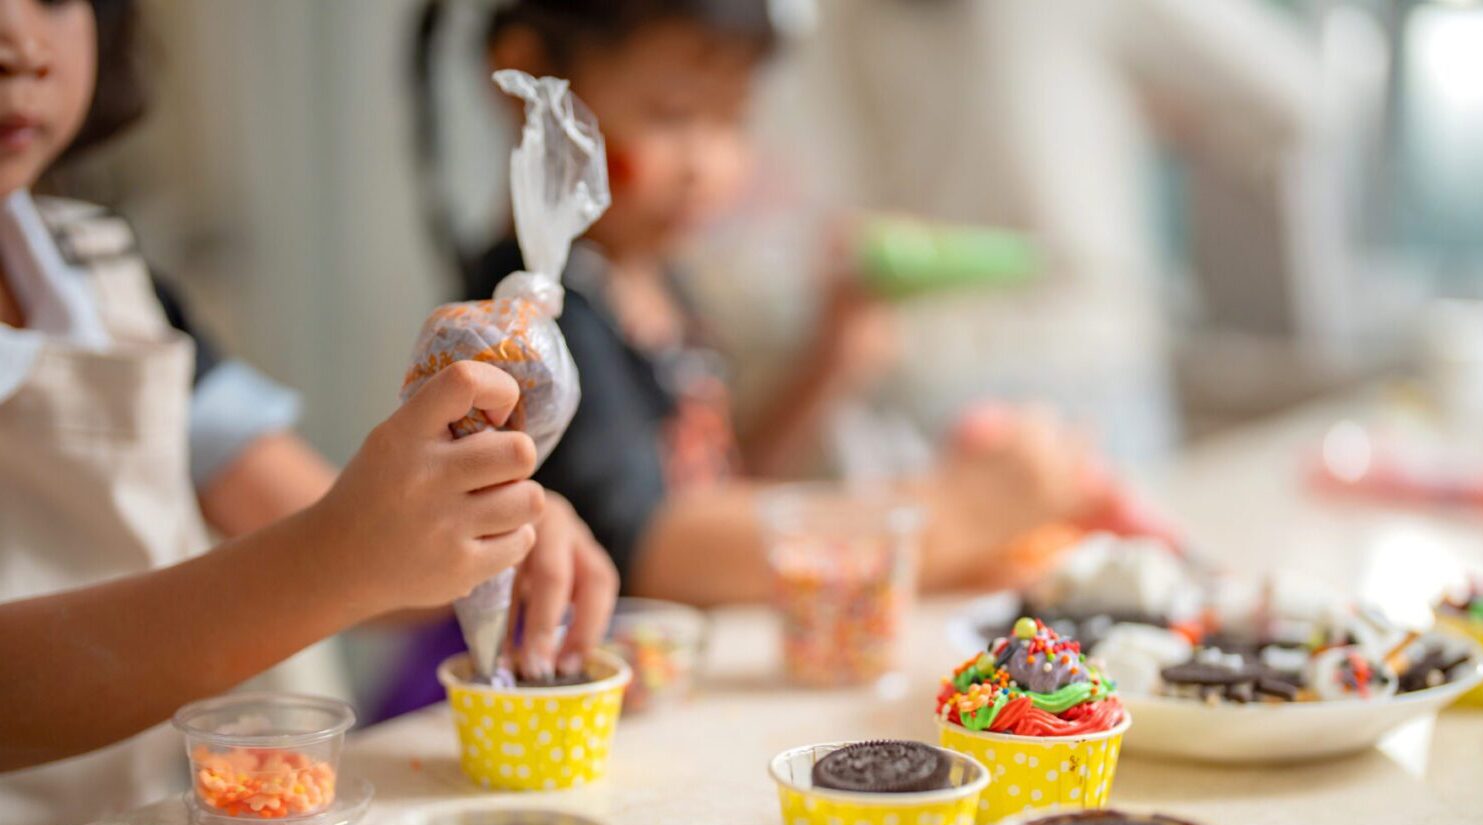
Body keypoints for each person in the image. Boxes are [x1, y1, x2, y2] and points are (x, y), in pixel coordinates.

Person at [0, 0, 614, 825]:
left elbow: (298, 507)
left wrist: (459, 532)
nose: (22, 45)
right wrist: (337, 559)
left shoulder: (104, 273)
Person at [413, 0, 1153, 615]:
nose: (709, 165)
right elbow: (657, 548)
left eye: (733, 120)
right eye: (671, 115)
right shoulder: (528, 309)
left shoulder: (656, 279)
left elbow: (717, 486)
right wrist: (945, 516)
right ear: (528, 78)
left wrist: (830, 363)